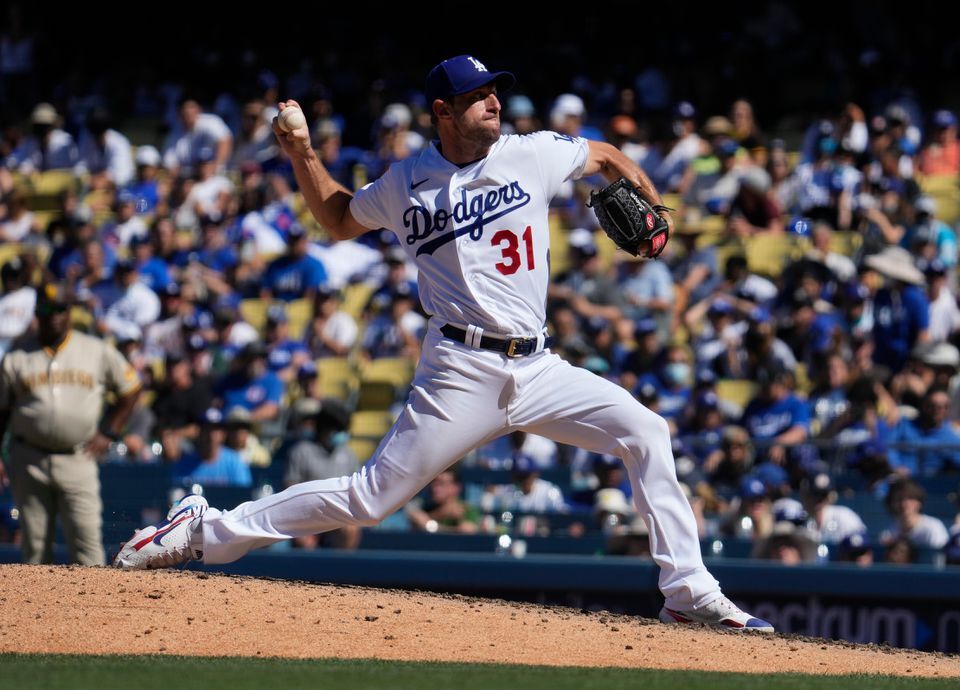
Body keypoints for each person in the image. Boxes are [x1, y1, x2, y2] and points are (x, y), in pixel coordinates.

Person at [115, 54, 774, 632]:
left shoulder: (531, 151)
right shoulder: (407, 182)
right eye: (477, 96)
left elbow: (602, 155)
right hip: (459, 369)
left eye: (494, 91)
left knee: (646, 431)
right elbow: (340, 219)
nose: (494, 101)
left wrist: (649, 202)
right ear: (443, 113)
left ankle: (688, 592)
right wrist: (301, 155)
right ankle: (205, 530)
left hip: (538, 366)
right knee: (370, 498)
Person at [0, 284, 141, 565]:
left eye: (60, 309)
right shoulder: (17, 356)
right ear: (36, 313)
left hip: (78, 457)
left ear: (70, 312)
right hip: (29, 459)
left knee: (87, 546)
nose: (53, 315)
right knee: (35, 550)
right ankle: (35, 609)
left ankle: (95, 609)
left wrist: (108, 431)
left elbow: (131, 388)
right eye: (46, 309)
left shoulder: (95, 350)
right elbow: (2, 411)